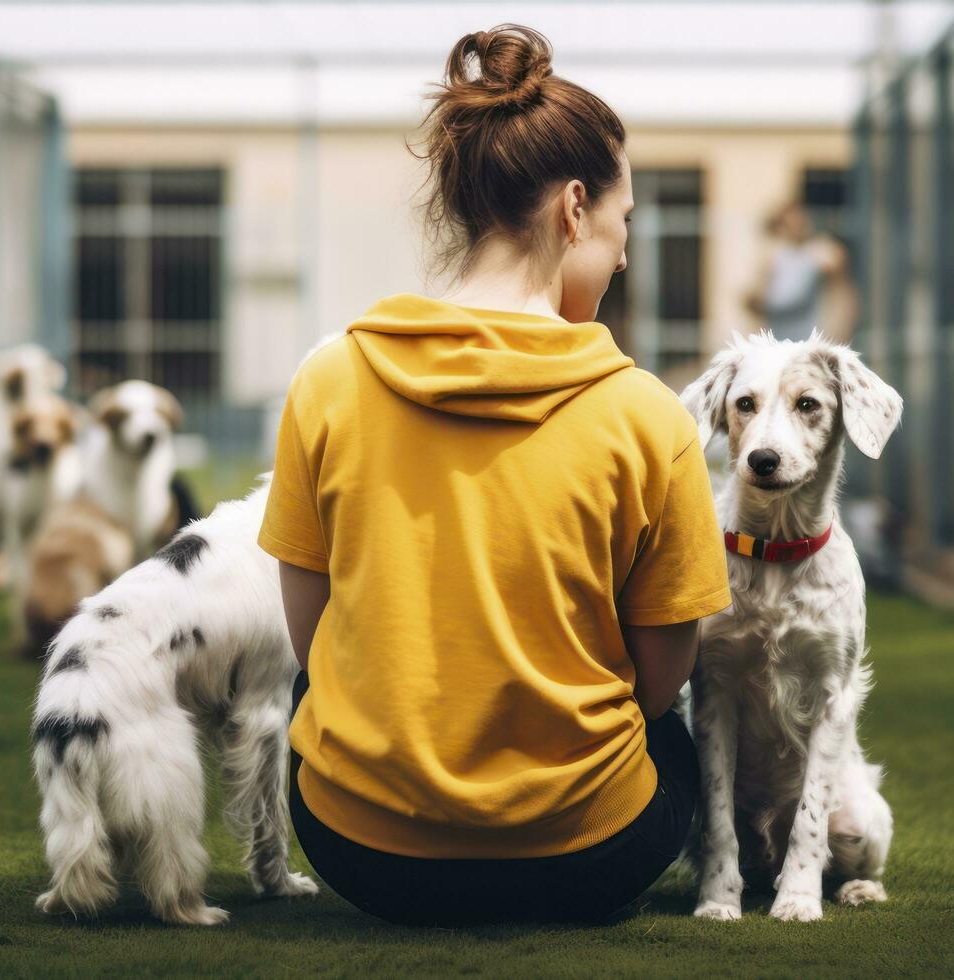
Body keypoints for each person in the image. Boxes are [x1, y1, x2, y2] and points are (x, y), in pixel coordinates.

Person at [257, 24, 732, 927]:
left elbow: (312, 637)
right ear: (573, 209)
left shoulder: (327, 380)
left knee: (308, 693)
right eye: (622, 223)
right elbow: (662, 672)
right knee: (667, 732)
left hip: (361, 853)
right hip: (590, 855)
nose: (624, 253)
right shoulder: (646, 414)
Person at [745, 200, 858, 344]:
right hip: (780, 337)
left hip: (811, 338)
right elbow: (760, 300)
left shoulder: (820, 253)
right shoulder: (774, 257)